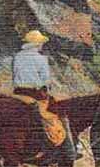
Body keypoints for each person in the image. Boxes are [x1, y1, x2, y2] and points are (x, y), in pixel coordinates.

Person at [12, 30, 75, 160]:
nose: (42, 45)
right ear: (36, 44)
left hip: (18, 92)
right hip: (34, 93)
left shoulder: (17, 56)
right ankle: (69, 150)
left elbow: (15, 75)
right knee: (61, 114)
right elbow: (45, 81)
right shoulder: (40, 58)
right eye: (40, 43)